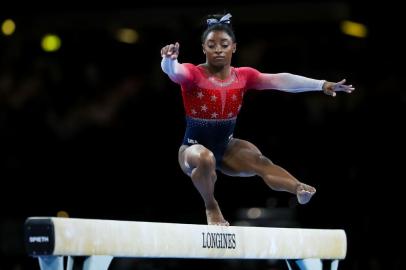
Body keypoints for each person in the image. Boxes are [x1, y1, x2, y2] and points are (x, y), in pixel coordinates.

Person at [160, 13, 354, 226]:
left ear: (233, 47)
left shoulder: (244, 76)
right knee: (205, 158)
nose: (218, 49)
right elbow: (174, 72)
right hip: (192, 149)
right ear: (203, 48)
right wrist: (169, 60)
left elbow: (281, 80)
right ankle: (211, 206)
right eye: (211, 44)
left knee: (260, 161)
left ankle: (297, 188)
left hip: (225, 148)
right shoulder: (192, 74)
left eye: (224, 44)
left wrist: (321, 84)